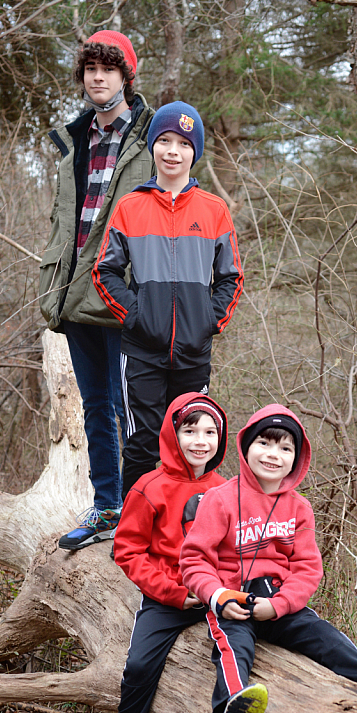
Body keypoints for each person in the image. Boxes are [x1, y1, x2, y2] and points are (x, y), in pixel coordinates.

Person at [180, 405, 357, 713]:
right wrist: (217, 596)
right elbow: (193, 560)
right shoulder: (219, 500)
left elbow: (307, 567)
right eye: (265, 443)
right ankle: (232, 709)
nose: (273, 455)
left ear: (297, 459)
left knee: (328, 639)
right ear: (246, 445)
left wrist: (279, 605)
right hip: (234, 600)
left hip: (279, 600)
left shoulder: (298, 507)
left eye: (285, 448)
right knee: (234, 649)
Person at [38, 31, 155, 550]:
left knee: (134, 408)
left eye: (109, 69)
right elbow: (66, 226)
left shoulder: (152, 139)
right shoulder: (75, 141)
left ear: (125, 76)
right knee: (94, 408)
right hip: (76, 295)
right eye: (90, 69)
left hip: (124, 297)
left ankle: (144, 512)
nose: (98, 77)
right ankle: (108, 508)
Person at [92, 100, 243, 500]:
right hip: (141, 350)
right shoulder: (130, 207)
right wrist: (136, 316)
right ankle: (131, 533)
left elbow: (232, 277)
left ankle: (189, 531)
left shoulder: (214, 211)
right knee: (141, 443)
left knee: (193, 445)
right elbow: (104, 272)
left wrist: (206, 322)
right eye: (164, 141)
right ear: (152, 147)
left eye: (183, 143)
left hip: (193, 353)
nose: (173, 151)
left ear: (195, 152)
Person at [105, 393, 228, 713]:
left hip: (216, 594)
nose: (200, 441)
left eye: (209, 432)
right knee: (138, 669)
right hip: (168, 599)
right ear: (172, 435)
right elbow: (128, 549)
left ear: (222, 437)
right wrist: (173, 592)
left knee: (249, 654)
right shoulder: (149, 487)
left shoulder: (225, 490)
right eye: (190, 431)